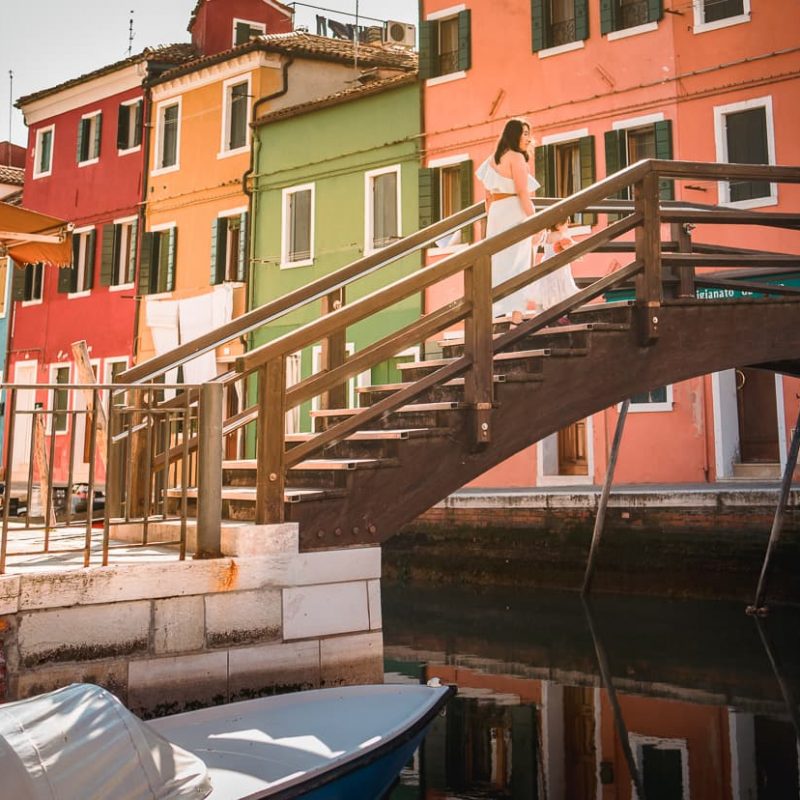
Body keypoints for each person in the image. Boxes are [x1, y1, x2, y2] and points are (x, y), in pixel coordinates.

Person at [475, 118, 540, 324]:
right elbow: (523, 193)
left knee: (499, 264)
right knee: (519, 264)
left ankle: (491, 315)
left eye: (529, 133)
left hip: (496, 212)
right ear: (515, 135)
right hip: (514, 211)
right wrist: (536, 220)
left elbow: (487, 198)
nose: (528, 138)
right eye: (524, 133)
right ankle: (516, 318)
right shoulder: (516, 158)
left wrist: (491, 219)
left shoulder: (493, 158)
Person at [528, 219, 579, 322]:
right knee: (560, 289)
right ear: (559, 224)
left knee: (545, 289)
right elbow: (572, 249)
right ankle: (561, 315)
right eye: (566, 223)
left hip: (546, 265)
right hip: (559, 268)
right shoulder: (563, 236)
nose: (568, 226)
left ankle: (540, 315)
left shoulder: (547, 236)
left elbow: (534, 241)